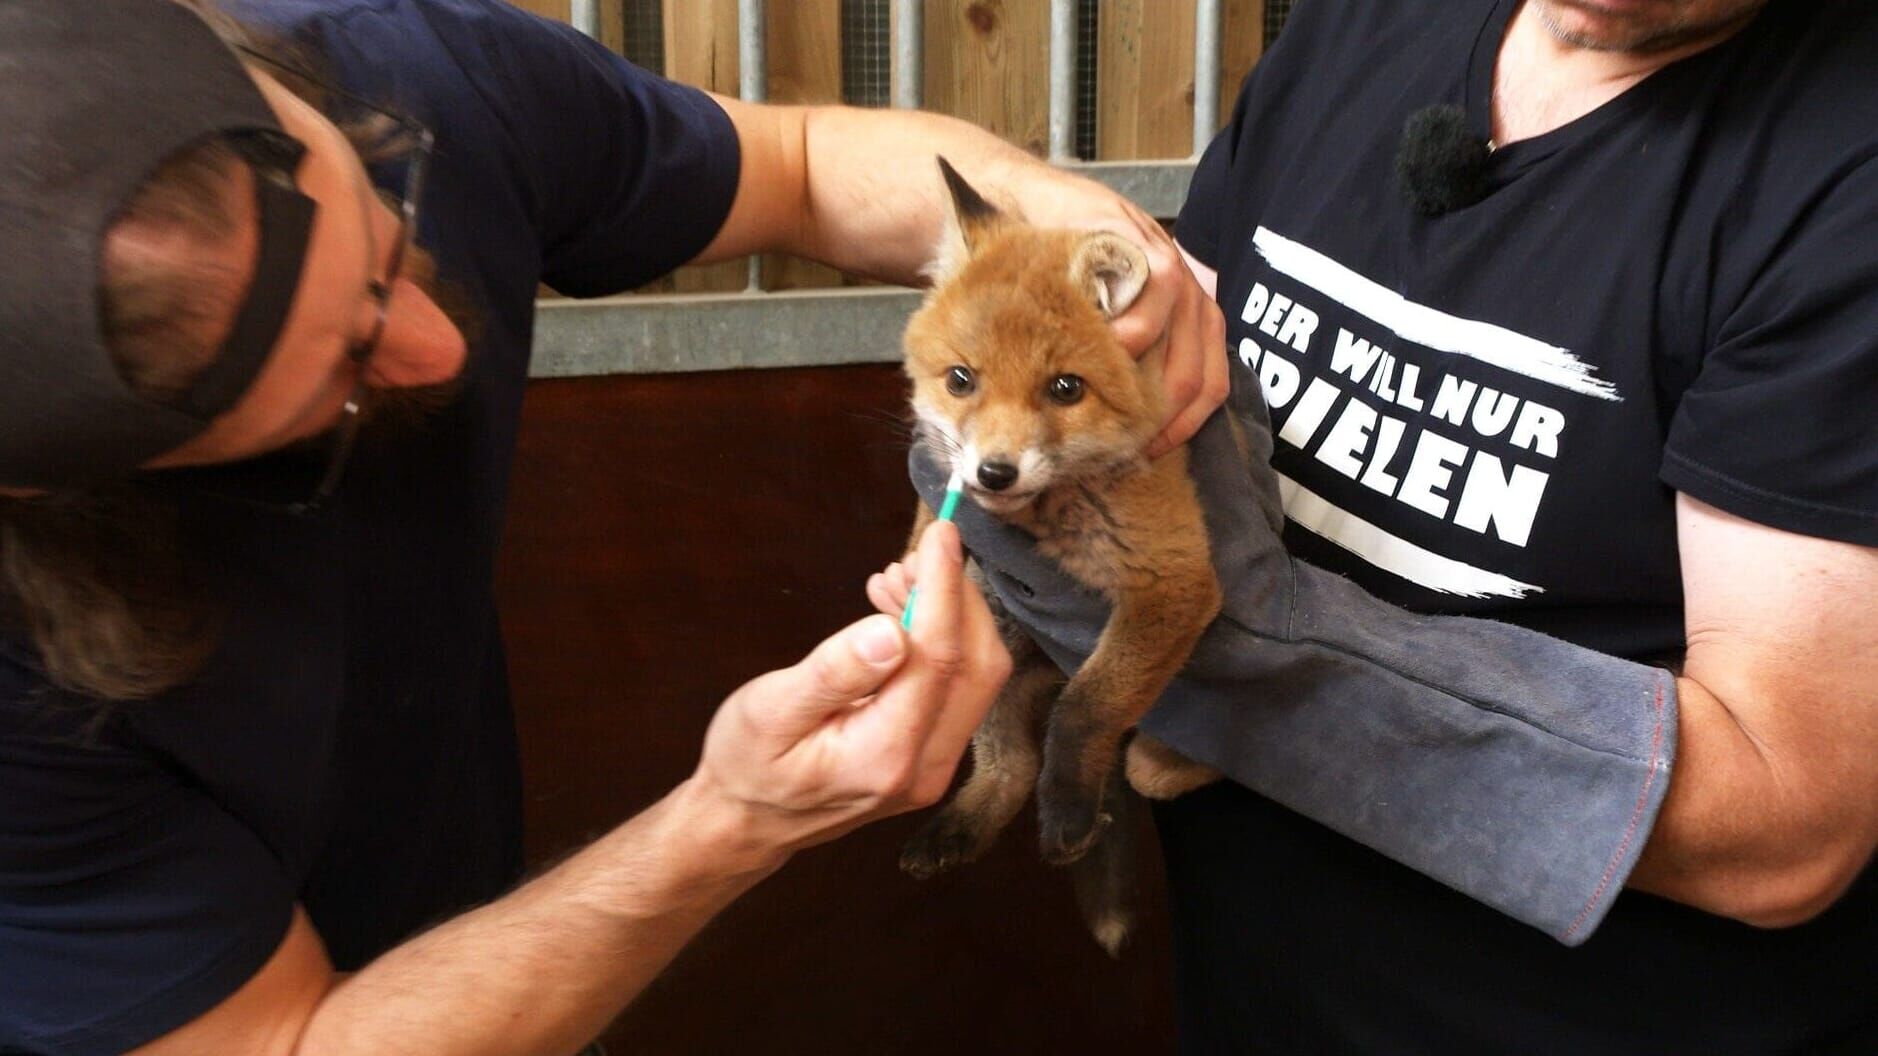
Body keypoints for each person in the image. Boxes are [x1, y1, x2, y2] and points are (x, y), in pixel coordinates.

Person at [0, 1, 1226, 1054]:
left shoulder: (399, 72)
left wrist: (1092, 247)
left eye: (391, 243)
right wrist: (731, 821)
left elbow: (798, 156)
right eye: (348, 377)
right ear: (65, 491)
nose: (444, 347)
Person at [911, 0, 1876, 1051]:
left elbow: (1787, 827)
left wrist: (1253, 657)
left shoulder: (1843, 173)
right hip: (1254, 979)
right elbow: (1175, 381)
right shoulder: (1364, 24)